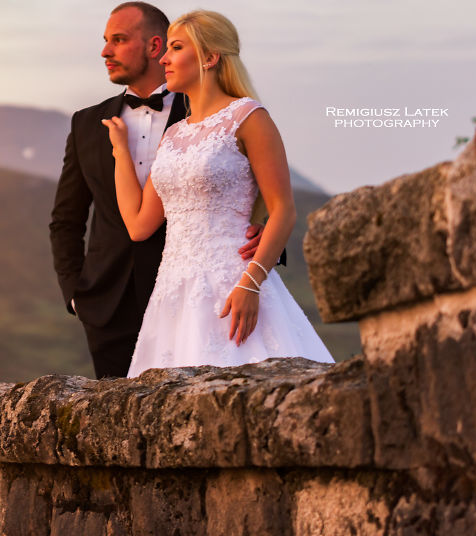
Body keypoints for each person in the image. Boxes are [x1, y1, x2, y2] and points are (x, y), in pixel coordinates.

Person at [101, 10, 334, 376]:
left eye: (176, 48)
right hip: (173, 297)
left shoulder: (249, 117)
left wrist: (252, 284)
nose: (163, 59)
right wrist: (120, 152)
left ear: (210, 57)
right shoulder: (174, 135)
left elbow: (283, 209)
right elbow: (138, 225)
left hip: (234, 285)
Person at [49, 2, 271, 379]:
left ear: (154, 46)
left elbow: (264, 195)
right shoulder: (87, 123)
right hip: (107, 305)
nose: (106, 51)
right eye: (106, 41)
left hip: (206, 298)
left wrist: (263, 260)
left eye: (118, 40)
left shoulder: (217, 111)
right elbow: (66, 220)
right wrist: (77, 295)